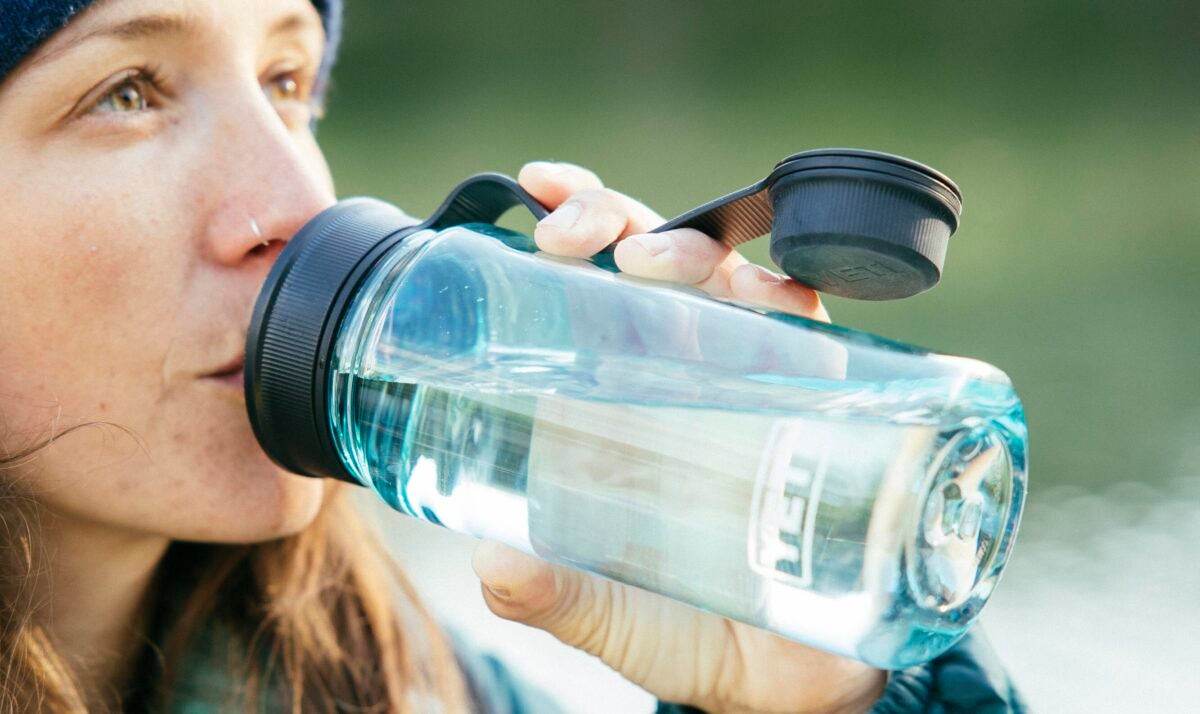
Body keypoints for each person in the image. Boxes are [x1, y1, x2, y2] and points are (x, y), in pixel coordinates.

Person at [0, 0, 1026, 712]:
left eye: (286, 79)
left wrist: (813, 703)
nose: (300, 203)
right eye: (128, 91)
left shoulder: (423, 693)